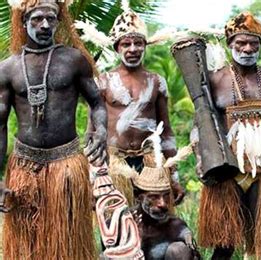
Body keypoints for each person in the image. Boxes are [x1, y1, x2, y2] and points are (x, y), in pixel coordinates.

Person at [0, 0, 107, 258]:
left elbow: (97, 103)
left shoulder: (73, 60)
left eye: (51, 18)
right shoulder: (8, 68)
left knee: (68, 242)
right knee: (27, 243)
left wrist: (101, 130)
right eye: (37, 19)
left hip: (67, 163)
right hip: (24, 166)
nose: (45, 24)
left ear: (59, 21)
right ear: (24, 23)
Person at [191, 12, 261, 259]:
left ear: (260, 45)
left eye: (253, 43)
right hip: (228, 172)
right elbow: (200, 125)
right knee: (224, 246)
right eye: (241, 43)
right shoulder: (215, 80)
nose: (248, 49)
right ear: (230, 44)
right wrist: (200, 161)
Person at [92, 5, 185, 206]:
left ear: (145, 46)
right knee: (117, 224)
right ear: (118, 48)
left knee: (152, 225)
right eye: (126, 44)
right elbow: (92, 131)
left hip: (151, 162)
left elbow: (166, 130)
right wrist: (93, 174)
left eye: (138, 43)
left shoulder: (157, 81)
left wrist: (174, 177)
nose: (133, 49)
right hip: (114, 162)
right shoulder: (103, 81)